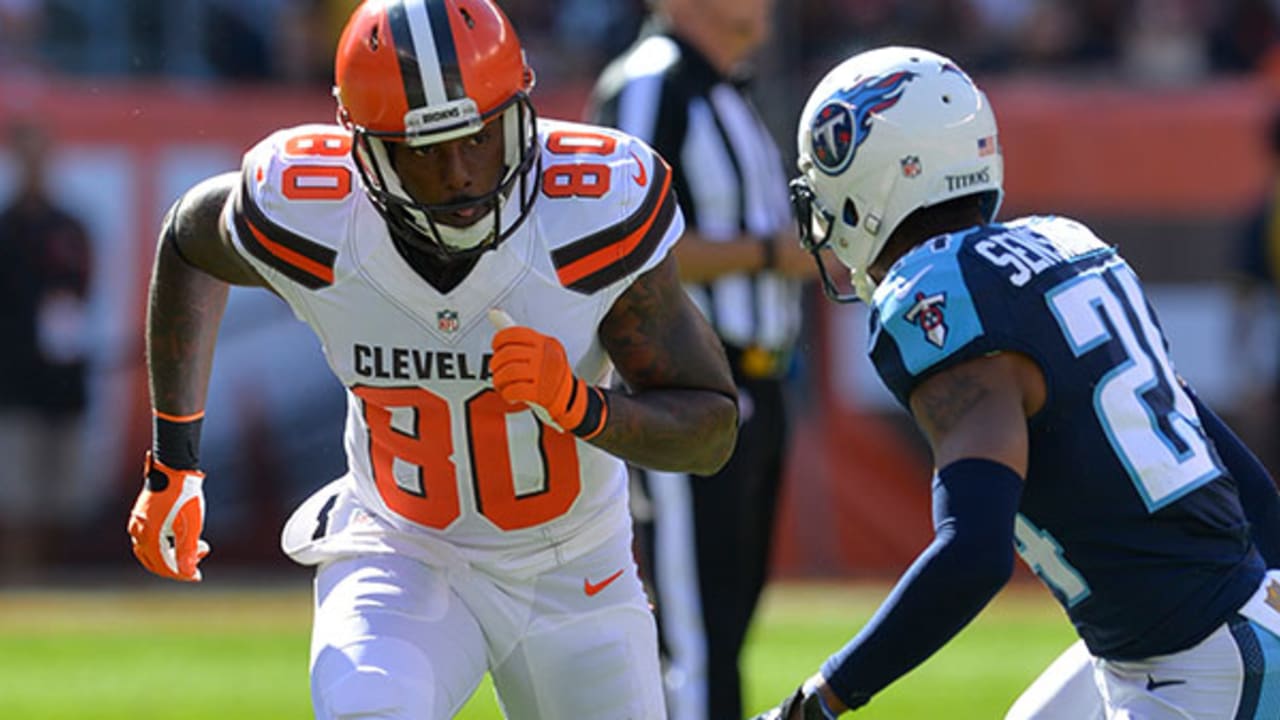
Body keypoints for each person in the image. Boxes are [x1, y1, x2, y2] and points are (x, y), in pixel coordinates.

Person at [125, 1, 739, 718]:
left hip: (575, 571)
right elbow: (188, 241)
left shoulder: (589, 211)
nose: (457, 174)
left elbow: (711, 430)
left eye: (478, 137)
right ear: (365, 149)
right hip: (399, 551)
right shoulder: (311, 210)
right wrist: (174, 463)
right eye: (421, 150)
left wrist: (580, 405)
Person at [753, 45, 1280, 719]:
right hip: (1202, 632)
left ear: (871, 178)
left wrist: (819, 699)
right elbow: (1243, 478)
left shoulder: (936, 298)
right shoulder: (1066, 243)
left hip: (1199, 665)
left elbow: (974, 551)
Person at [585, 1, 817, 718]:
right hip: (687, 390)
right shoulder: (654, 80)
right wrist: (776, 252)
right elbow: (621, 235)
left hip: (761, 379)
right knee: (696, 640)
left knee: (726, 623)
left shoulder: (728, 87)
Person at [0, 119, 94, 580]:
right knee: (17, 500)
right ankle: (19, 590)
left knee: (64, 501)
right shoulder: (6, 228)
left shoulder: (70, 228)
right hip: (13, 383)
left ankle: (51, 591)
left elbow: (81, 299)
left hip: (62, 382)